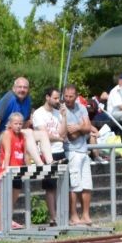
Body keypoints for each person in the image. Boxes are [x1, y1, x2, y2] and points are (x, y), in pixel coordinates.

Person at [0, 77, 51, 163]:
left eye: (25, 87)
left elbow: (24, 124)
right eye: (20, 87)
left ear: (28, 89)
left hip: (17, 133)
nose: (22, 90)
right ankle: (40, 164)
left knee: (43, 134)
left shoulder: (28, 100)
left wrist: (29, 122)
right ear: (14, 88)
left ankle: (50, 162)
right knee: (29, 132)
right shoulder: (8, 99)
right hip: (0, 136)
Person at [30, 87, 68, 225]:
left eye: (59, 98)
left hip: (60, 151)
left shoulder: (58, 113)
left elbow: (63, 133)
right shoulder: (39, 114)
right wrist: (58, 138)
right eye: (55, 98)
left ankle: (63, 215)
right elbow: (44, 135)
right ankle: (53, 217)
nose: (58, 101)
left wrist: (64, 116)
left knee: (63, 185)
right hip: (47, 153)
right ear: (47, 97)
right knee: (50, 186)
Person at [62, 84, 94, 225]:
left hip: (83, 150)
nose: (68, 99)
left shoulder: (81, 107)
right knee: (74, 186)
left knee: (87, 185)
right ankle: (73, 216)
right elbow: (72, 135)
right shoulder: (62, 110)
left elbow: (88, 128)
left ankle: (86, 215)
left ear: (76, 96)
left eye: (71, 96)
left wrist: (79, 127)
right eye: (66, 96)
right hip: (71, 151)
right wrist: (82, 127)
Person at [0, 112, 29, 230]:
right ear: (10, 124)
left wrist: (29, 167)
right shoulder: (7, 134)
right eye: (16, 123)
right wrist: (4, 170)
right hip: (7, 171)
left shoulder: (23, 136)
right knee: (3, 200)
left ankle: (9, 220)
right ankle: (0, 225)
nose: (18, 126)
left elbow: (25, 154)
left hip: (18, 171)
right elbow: (8, 153)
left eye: (20, 123)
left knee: (12, 200)